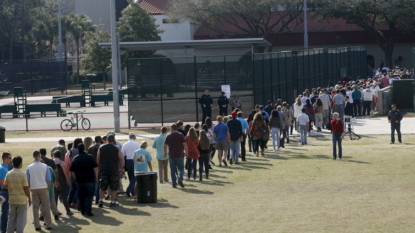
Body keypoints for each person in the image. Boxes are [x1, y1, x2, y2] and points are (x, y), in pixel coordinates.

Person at [26, 150, 52, 231]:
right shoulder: (45, 166)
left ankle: (37, 225)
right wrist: (47, 187)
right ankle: (48, 224)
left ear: (33, 156)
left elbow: (28, 180)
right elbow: (48, 179)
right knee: (46, 207)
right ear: (40, 156)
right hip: (43, 188)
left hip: (34, 188)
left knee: (35, 208)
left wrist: (30, 188)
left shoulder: (29, 167)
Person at [4, 156, 31, 233]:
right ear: (20, 164)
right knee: (21, 219)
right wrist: (29, 198)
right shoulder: (23, 174)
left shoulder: (8, 173)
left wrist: (10, 189)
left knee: (11, 218)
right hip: (21, 200)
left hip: (12, 199)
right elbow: (26, 187)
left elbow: (5, 184)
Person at [70, 144, 98, 216]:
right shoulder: (90, 157)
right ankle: (88, 210)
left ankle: (82, 210)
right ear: (84, 149)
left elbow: (72, 171)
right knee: (89, 196)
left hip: (79, 180)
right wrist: (96, 178)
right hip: (89, 179)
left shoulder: (75, 158)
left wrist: (75, 178)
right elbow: (95, 168)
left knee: (81, 195)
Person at [97, 135, 124, 208]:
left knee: (103, 186)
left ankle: (100, 200)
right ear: (114, 140)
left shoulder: (101, 147)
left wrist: (99, 167)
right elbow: (121, 158)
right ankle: (112, 201)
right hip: (114, 170)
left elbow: (98, 158)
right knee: (114, 187)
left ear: (106, 139)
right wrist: (122, 168)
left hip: (104, 169)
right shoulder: (117, 148)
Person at [164, 124, 188, 188]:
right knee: (181, 168)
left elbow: (165, 145)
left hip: (171, 155)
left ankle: (174, 183)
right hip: (179, 154)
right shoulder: (180, 135)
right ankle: (180, 178)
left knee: (173, 169)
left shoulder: (168, 136)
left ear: (171, 128)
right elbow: (185, 144)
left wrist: (165, 152)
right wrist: (186, 152)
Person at [52, 151, 72, 216]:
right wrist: (68, 180)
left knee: (55, 198)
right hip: (62, 182)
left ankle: (55, 212)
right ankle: (68, 211)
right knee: (64, 197)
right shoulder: (62, 163)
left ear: (53, 155)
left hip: (53, 182)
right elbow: (65, 173)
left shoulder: (50, 162)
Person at [122, 132, 140, 197]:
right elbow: (139, 154)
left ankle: (132, 192)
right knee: (134, 177)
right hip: (135, 161)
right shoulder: (137, 144)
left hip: (128, 161)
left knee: (130, 177)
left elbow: (123, 154)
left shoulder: (125, 144)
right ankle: (129, 190)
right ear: (134, 137)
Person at [0, 152, 11, 233]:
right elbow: (2, 182)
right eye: (9, 158)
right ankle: (3, 230)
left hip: (5, 192)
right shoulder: (2, 169)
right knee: (5, 212)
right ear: (5, 158)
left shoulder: (6, 167)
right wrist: (11, 189)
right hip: (5, 192)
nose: (11, 159)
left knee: (7, 212)